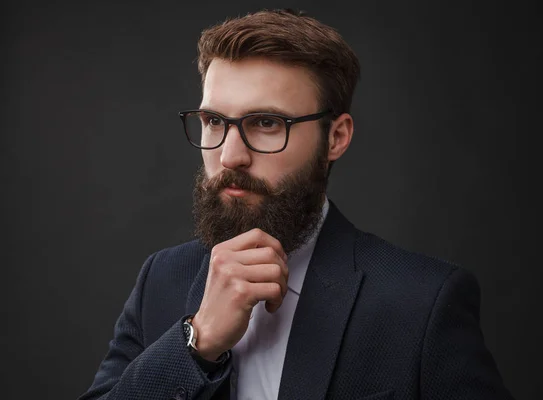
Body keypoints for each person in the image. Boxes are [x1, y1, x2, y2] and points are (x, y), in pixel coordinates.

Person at [78, 8, 514, 400]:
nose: (230, 156)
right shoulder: (162, 279)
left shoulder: (422, 302)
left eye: (266, 123)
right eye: (214, 121)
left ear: (336, 138)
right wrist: (198, 339)